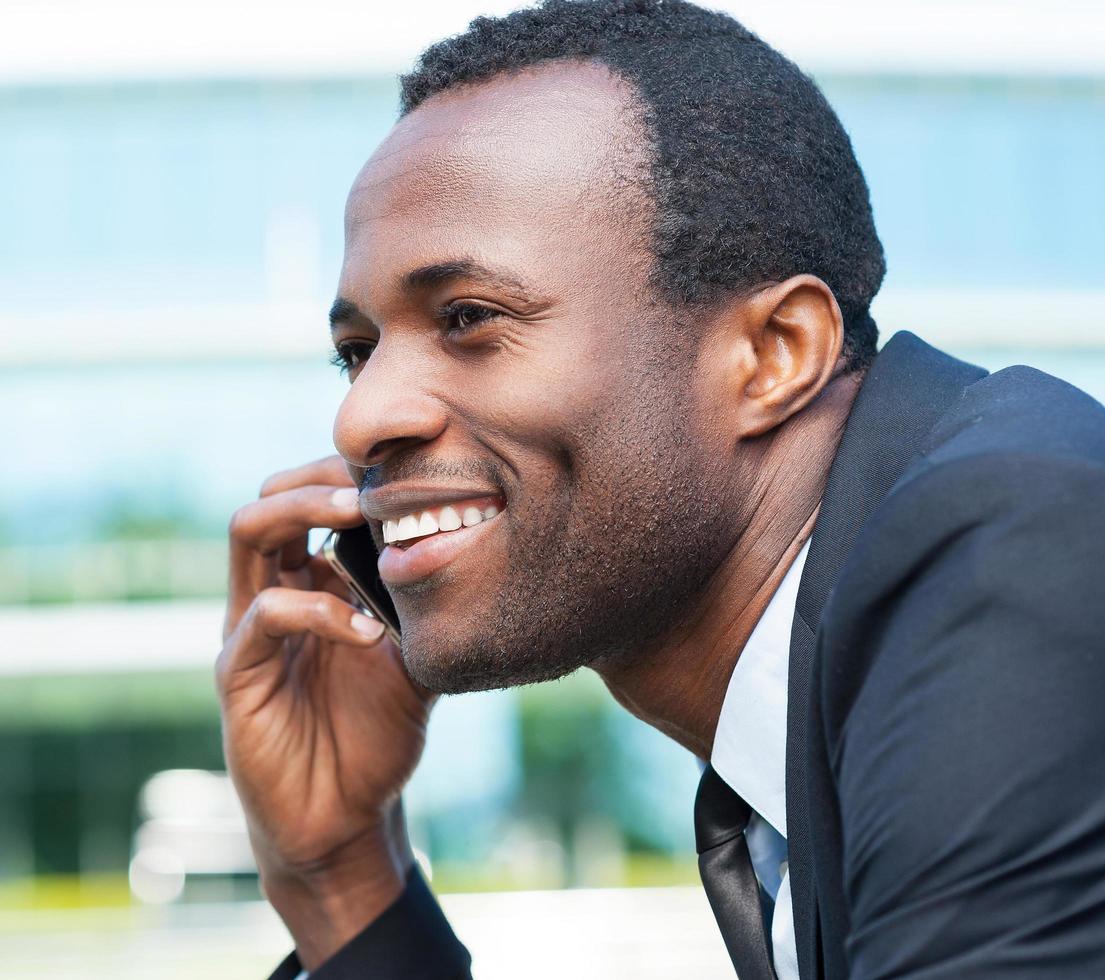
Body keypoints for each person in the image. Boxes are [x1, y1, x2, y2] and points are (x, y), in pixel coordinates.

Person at [215, 2, 1105, 977]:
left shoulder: (1007, 559)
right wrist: (342, 877)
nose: (360, 419)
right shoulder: (804, 724)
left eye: (468, 316)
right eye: (357, 353)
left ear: (773, 355)